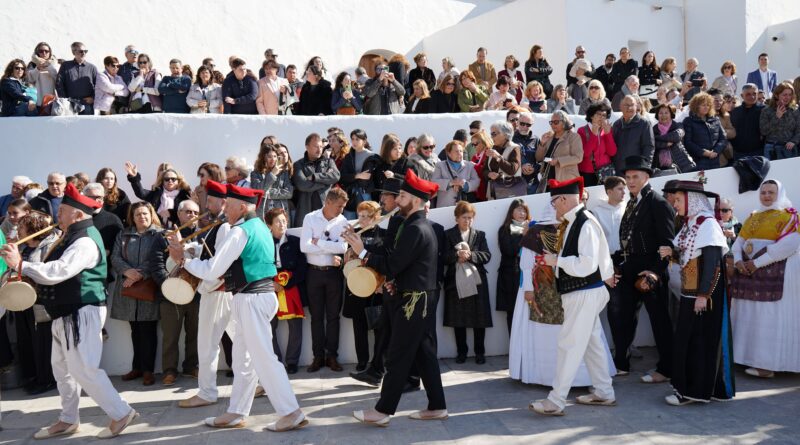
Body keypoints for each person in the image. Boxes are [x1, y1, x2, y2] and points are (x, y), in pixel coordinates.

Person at [1, 183, 137, 439]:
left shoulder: (85, 241)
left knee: (84, 369)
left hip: (82, 311)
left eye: (62, 210)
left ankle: (120, 413)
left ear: (76, 214)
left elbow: (59, 271)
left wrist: (22, 264)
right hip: (66, 311)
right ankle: (68, 418)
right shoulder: (72, 235)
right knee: (61, 368)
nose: (57, 215)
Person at [169, 184, 307, 431]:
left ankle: (291, 412)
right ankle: (236, 412)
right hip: (256, 297)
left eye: (229, 205)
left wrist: (183, 259)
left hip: (252, 298)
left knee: (264, 358)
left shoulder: (239, 231)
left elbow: (212, 269)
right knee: (243, 359)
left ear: (242, 207)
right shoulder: (261, 227)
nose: (225, 209)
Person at [344, 169, 447, 426]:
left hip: (414, 302)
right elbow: (406, 267)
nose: (396, 199)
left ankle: (382, 411)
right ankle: (437, 406)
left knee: (398, 355)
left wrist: (362, 251)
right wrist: (396, 283)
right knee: (424, 353)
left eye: (401, 195)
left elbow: (392, 263)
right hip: (418, 297)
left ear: (415, 200)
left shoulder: (415, 228)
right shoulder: (414, 225)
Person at [529, 177, 617, 416]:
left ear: (565, 199)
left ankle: (555, 401)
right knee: (591, 343)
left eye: (555, 202)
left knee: (569, 344)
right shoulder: (576, 222)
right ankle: (604, 392)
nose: (553, 207)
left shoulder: (584, 223)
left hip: (584, 292)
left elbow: (587, 265)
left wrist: (555, 261)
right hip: (584, 292)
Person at [658, 180, 736, 406]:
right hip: (689, 292)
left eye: (679, 200)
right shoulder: (690, 224)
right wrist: (671, 252)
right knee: (689, 340)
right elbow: (686, 254)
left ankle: (694, 391)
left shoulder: (708, 225)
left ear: (691, 201)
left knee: (700, 342)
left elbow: (712, 263)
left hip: (703, 295)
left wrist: (703, 295)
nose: (675, 204)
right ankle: (699, 388)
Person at [610, 156, 675, 381]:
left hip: (650, 270)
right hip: (629, 268)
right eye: (627, 177)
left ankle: (666, 369)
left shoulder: (658, 202)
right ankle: (621, 363)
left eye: (635, 176)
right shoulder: (631, 201)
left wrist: (655, 273)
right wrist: (618, 262)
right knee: (622, 318)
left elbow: (667, 244)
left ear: (646, 177)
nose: (630, 181)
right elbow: (628, 238)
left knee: (660, 321)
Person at [174, 180, 236, 408]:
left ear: (222, 202)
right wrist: (190, 249)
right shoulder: (219, 224)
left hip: (217, 290)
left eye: (209, 200)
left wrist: (184, 258)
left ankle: (207, 392)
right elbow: (209, 250)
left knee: (207, 343)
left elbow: (216, 262)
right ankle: (258, 382)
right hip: (221, 290)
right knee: (241, 340)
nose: (206, 203)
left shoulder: (225, 226)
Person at [729, 179, 800, 378]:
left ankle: (767, 366)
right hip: (748, 274)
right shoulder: (753, 216)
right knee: (748, 315)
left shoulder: (789, 216)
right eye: (763, 192)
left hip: (774, 274)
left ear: (780, 193)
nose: (766, 196)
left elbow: (790, 244)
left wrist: (758, 263)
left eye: (771, 192)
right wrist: (737, 261)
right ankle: (745, 358)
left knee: (768, 318)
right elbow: (739, 242)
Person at [110, 202, 166, 387]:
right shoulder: (123, 234)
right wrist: (128, 272)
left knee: (148, 330)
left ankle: (148, 370)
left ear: (151, 215)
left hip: (148, 286)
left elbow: (158, 258)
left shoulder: (159, 234)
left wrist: (140, 273)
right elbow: (115, 257)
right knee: (134, 330)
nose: (142, 217)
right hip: (128, 287)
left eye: (145, 214)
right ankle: (137, 367)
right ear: (132, 217)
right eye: (137, 214)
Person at [299, 188, 349, 372]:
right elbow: (304, 246)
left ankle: (332, 357)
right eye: (339, 206)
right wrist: (330, 247)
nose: (341, 210)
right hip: (313, 273)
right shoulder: (310, 218)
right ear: (328, 202)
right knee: (316, 317)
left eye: (343, 207)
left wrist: (317, 242)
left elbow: (343, 248)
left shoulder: (343, 221)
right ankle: (318, 357)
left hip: (334, 274)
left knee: (334, 317)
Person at [13, 212, 59, 396]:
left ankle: (46, 379)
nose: (18, 231)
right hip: (24, 299)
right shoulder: (25, 247)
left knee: (42, 341)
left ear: (33, 229)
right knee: (28, 340)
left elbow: (45, 271)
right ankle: (33, 376)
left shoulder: (49, 246)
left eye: (22, 228)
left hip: (41, 300)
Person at [442, 201, 492, 364]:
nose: (467, 221)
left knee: (480, 319)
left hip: (477, 281)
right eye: (464, 217)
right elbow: (442, 257)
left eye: (470, 218)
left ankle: (480, 352)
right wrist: (457, 256)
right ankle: (461, 353)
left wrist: (470, 256)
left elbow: (487, 256)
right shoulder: (448, 234)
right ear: (456, 218)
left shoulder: (480, 235)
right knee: (459, 319)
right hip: (455, 282)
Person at [159, 200, 201, 387]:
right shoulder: (166, 235)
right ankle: (169, 370)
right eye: (188, 212)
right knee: (170, 334)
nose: (192, 215)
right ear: (179, 213)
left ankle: (191, 366)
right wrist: (168, 281)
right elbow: (156, 260)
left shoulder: (204, 235)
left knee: (195, 332)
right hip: (171, 292)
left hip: (197, 292)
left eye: (195, 212)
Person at [263, 208, 307, 375]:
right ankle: (276, 361)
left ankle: (292, 362)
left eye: (283, 220)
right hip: (270, 288)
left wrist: (287, 284)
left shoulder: (295, 241)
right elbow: (260, 266)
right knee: (269, 325)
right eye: (277, 222)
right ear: (269, 225)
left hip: (292, 287)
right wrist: (271, 284)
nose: (282, 224)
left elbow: (303, 268)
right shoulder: (264, 243)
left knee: (295, 326)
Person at [341, 201, 384, 370]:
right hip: (357, 284)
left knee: (379, 325)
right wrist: (346, 255)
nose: (363, 220)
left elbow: (384, 257)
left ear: (375, 217)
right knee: (359, 326)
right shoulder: (353, 235)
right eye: (360, 216)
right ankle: (362, 360)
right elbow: (346, 260)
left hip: (376, 285)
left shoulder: (384, 234)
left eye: (367, 216)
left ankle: (378, 360)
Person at [292, 133, 341, 227]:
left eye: (321, 147)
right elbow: (302, 185)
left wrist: (315, 177)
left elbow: (336, 176)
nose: (319, 150)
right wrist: (326, 183)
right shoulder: (298, 164)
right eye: (316, 146)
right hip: (305, 210)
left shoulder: (329, 162)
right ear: (307, 147)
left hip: (326, 209)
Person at [496, 199, 529, 335]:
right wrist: (523, 234)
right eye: (519, 209)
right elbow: (509, 251)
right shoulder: (504, 230)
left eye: (524, 210)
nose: (522, 213)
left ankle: (528, 351)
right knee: (513, 313)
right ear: (511, 212)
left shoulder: (532, 228)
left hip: (529, 276)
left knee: (529, 313)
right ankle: (515, 352)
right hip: (510, 277)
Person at [125, 162, 191, 226]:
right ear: (163, 182)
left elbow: (189, 213)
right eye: (167, 179)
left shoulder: (185, 195)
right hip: (158, 230)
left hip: (178, 230)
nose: (170, 181)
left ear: (178, 181)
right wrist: (134, 178)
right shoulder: (157, 193)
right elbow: (141, 193)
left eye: (173, 179)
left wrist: (171, 213)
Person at [611, 95, 656, 175]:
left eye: (632, 105)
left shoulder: (644, 123)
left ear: (636, 106)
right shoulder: (616, 125)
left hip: (636, 170)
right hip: (619, 171)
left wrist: (645, 169)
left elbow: (649, 147)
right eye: (626, 105)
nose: (629, 108)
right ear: (620, 107)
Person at [683, 92, 727, 170]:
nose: (706, 107)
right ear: (696, 106)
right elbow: (688, 142)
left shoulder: (715, 119)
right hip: (698, 161)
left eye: (708, 105)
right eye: (703, 105)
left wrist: (716, 151)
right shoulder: (688, 121)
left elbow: (723, 139)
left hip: (715, 160)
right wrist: (703, 152)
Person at [251, 143, 294, 220]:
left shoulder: (284, 172)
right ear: (263, 158)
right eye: (269, 156)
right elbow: (258, 191)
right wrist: (272, 174)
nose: (273, 159)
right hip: (263, 214)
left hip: (280, 213)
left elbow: (289, 193)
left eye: (275, 156)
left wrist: (268, 193)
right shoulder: (255, 174)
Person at [577, 103, 616, 187]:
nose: (601, 117)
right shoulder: (582, 131)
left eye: (604, 115)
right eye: (598, 114)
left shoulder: (607, 130)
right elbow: (585, 154)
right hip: (587, 172)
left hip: (605, 171)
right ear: (591, 116)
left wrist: (608, 134)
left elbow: (612, 152)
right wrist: (594, 135)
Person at [536, 110, 583, 182]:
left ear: (564, 122)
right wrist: (542, 143)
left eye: (556, 122)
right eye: (551, 122)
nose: (553, 125)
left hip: (566, 179)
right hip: (548, 180)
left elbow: (578, 157)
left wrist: (558, 160)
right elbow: (539, 158)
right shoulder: (549, 137)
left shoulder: (573, 137)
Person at [483, 120, 525, 199]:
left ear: (505, 135)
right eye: (491, 134)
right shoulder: (493, 148)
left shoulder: (514, 148)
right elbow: (484, 169)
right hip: (494, 192)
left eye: (494, 134)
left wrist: (498, 157)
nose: (491, 137)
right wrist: (489, 174)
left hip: (510, 192)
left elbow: (512, 170)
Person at [432, 141, 480, 208]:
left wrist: (464, 184)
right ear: (449, 153)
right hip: (444, 207)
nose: (459, 153)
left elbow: (476, 182)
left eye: (461, 151)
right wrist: (451, 183)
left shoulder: (470, 165)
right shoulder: (440, 165)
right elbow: (434, 182)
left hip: (465, 207)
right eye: (456, 151)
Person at [760, 82, 799, 160]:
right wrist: (777, 117)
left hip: (789, 149)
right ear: (776, 95)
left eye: (790, 94)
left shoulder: (795, 110)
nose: (787, 97)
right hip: (772, 149)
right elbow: (763, 131)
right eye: (784, 95)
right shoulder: (766, 110)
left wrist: (794, 141)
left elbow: (799, 130)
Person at [56, 42, 98, 115]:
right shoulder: (65, 66)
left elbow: (98, 85)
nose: (84, 53)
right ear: (73, 52)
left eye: (85, 51)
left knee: (87, 125)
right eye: (81, 51)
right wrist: (65, 99)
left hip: (87, 105)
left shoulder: (92, 68)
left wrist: (93, 98)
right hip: (70, 104)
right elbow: (59, 83)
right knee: (70, 126)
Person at [653, 104, 696, 174]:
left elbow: (676, 136)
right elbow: (653, 143)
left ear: (671, 114)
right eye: (660, 113)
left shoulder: (678, 125)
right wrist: (665, 144)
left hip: (683, 163)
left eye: (666, 113)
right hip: (662, 167)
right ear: (657, 115)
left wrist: (657, 138)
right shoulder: (653, 129)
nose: (663, 115)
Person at [729, 83, 765, 160]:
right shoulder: (735, 112)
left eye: (754, 94)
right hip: (739, 153)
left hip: (759, 152)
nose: (751, 97)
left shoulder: (764, 110)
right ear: (742, 96)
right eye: (748, 94)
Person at [26, 42, 59, 107]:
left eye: (46, 51)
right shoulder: (32, 64)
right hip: (38, 99)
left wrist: (49, 66)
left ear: (50, 52)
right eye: (41, 51)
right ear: (37, 53)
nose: (44, 53)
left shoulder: (55, 64)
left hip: (52, 99)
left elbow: (58, 79)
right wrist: (37, 68)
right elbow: (29, 79)